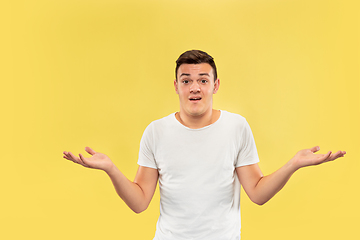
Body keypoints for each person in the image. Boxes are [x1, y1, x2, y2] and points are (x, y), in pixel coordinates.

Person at [63, 50, 346, 240]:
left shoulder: (237, 127)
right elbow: (139, 203)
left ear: (215, 85)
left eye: (202, 80)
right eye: (186, 80)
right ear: (176, 86)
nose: (194, 87)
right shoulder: (156, 132)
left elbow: (257, 193)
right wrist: (110, 168)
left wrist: (294, 164)